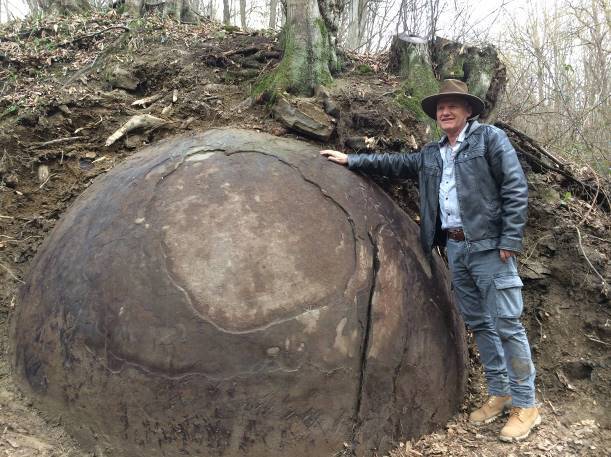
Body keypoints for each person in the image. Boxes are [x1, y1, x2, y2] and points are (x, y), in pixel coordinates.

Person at [320, 79, 540, 442]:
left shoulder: (489, 140)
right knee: (481, 324)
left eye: (453, 105)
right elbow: (396, 163)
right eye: (440, 107)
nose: (445, 111)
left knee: (507, 323)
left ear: (468, 110)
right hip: (454, 249)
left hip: (489, 248)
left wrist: (510, 238)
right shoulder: (432, 153)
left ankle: (526, 404)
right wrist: (352, 159)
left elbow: (515, 187)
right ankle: (500, 392)